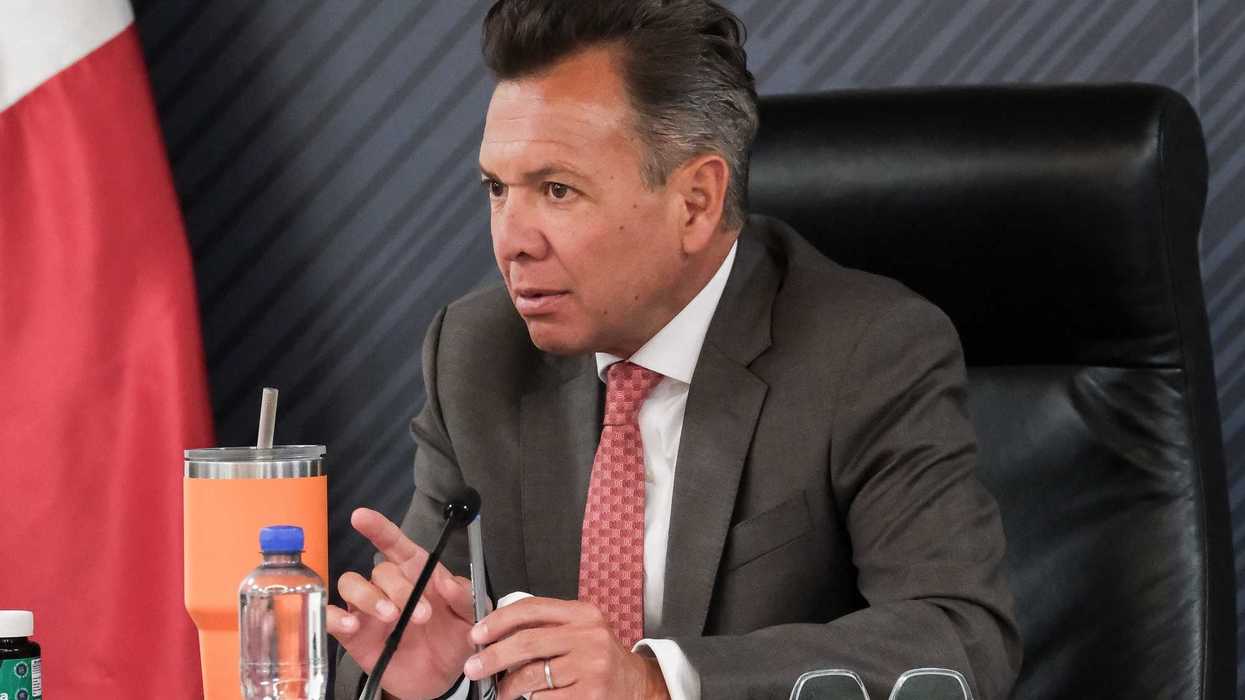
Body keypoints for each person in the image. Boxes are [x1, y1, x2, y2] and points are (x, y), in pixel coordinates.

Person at [331, 1, 1022, 698]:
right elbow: (411, 636)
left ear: (695, 201)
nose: (511, 240)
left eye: (557, 190)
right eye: (496, 189)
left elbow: (959, 638)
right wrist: (434, 680)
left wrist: (654, 683)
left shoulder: (866, 350)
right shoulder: (478, 354)